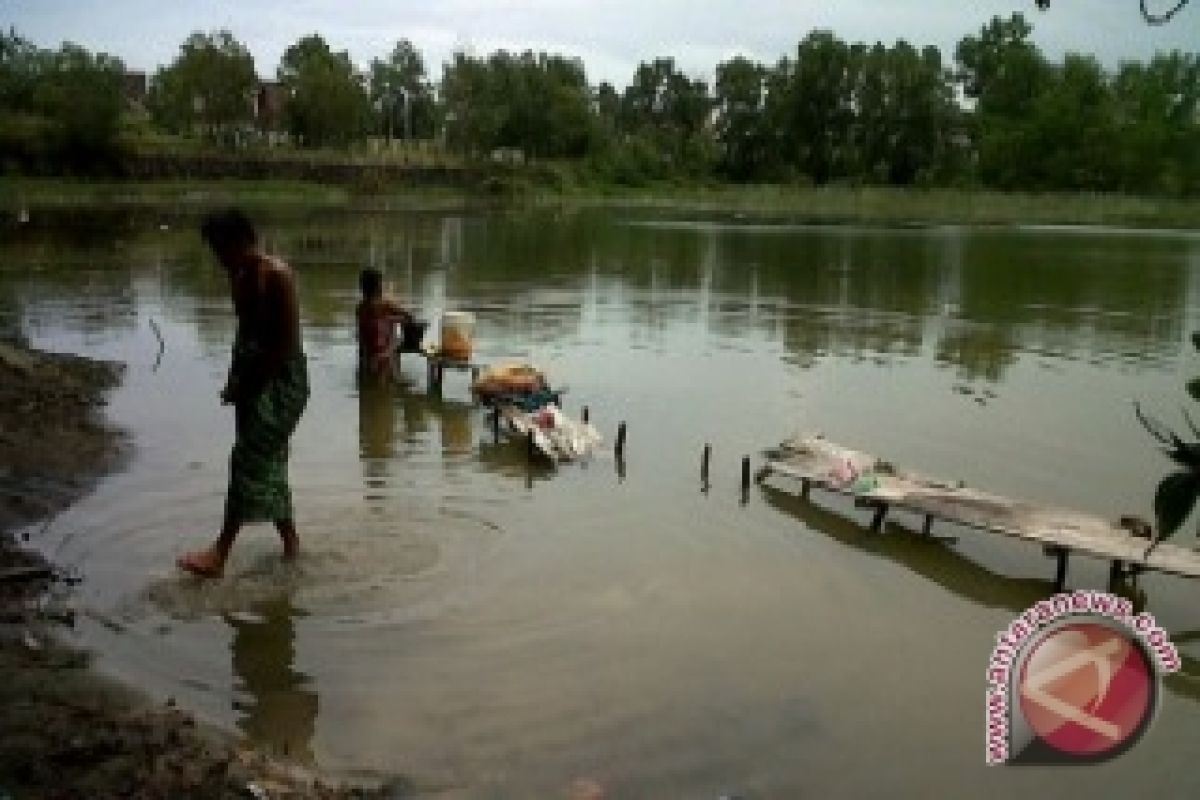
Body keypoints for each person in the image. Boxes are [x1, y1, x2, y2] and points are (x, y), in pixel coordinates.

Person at [178, 209, 310, 578]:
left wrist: (247, 384)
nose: (218, 259)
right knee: (267, 461)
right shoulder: (239, 275)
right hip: (252, 381)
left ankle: (219, 554)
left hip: (281, 385)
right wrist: (236, 380)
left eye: (220, 250)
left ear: (238, 242)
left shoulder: (277, 277)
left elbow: (282, 346)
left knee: (247, 459)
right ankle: (292, 545)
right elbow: (249, 335)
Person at [356, 268, 412, 381]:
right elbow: (409, 317)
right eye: (382, 283)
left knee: (368, 390)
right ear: (378, 287)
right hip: (385, 355)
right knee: (385, 392)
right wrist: (391, 319)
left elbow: (363, 336)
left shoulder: (361, 308)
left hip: (367, 358)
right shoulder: (386, 305)